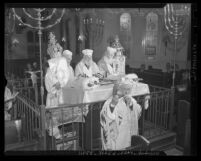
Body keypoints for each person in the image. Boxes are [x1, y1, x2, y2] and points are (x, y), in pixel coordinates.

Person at [100, 80, 142, 150]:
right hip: (117, 137)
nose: (126, 92)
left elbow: (138, 111)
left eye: (128, 89)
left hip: (128, 134)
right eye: (124, 89)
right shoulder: (109, 102)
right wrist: (112, 106)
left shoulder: (131, 100)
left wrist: (131, 104)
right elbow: (104, 118)